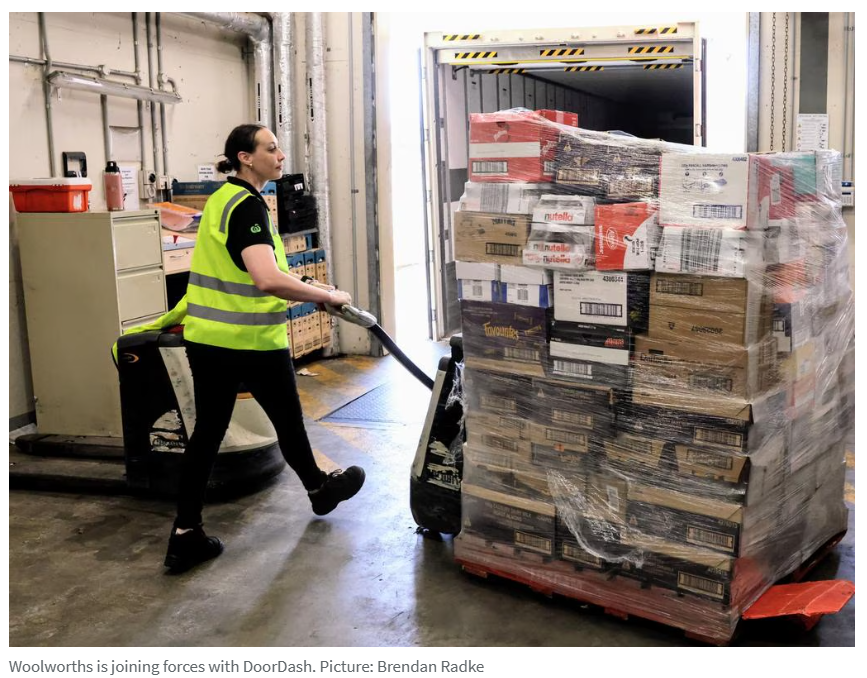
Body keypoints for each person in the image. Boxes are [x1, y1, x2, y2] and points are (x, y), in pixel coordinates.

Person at [164, 123, 365, 573]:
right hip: (250, 341)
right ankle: (318, 490)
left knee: (208, 433)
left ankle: (185, 534)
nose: (280, 156)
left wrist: (316, 288)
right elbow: (266, 279)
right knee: (288, 422)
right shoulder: (248, 207)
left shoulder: (223, 199)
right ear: (245, 157)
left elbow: (254, 270)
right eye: (270, 149)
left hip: (209, 339)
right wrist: (328, 296)